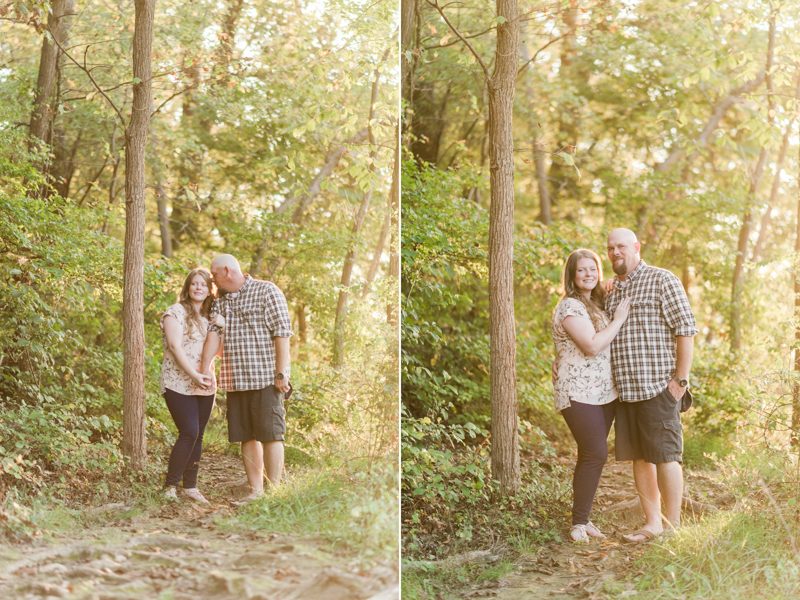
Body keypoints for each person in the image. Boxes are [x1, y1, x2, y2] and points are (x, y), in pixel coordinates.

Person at [605, 228, 698, 543]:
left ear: (636, 247)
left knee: (666, 455)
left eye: (621, 246)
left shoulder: (662, 279)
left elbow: (686, 328)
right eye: (610, 248)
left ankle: (673, 528)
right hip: (625, 391)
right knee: (640, 458)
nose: (615, 252)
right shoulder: (611, 291)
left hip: (659, 386)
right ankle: (652, 524)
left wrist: (680, 380)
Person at [200, 254, 293, 504]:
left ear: (227, 271)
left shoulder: (266, 291)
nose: (212, 278)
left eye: (214, 274)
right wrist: (204, 367)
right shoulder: (221, 303)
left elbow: (282, 334)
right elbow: (215, 336)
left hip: (266, 378)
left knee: (271, 434)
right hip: (235, 379)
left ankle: (275, 494)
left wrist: (281, 373)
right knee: (246, 437)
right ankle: (256, 492)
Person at [552, 249, 631, 542]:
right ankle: (577, 524)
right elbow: (592, 345)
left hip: (604, 390)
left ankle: (583, 521)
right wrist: (620, 319)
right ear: (572, 275)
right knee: (595, 452)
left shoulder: (595, 302)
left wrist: (610, 284)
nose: (588, 274)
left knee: (593, 455)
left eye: (592, 269)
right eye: (581, 270)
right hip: (577, 389)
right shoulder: (570, 306)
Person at [159, 268, 217, 504]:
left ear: (209, 290)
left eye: (203, 285)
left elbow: (217, 350)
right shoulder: (174, 312)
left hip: (205, 383)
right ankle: (170, 486)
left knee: (199, 435)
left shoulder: (209, 318)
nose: (198, 288)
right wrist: (193, 374)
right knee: (189, 432)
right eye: (194, 284)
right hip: (178, 382)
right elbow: (174, 346)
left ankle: (190, 487)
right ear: (187, 287)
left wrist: (203, 375)